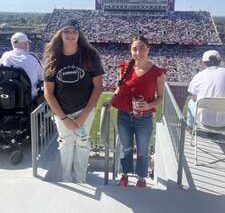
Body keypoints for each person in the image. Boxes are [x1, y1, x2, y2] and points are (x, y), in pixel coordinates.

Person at [43, 19, 104, 183]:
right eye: (66, 32)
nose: (70, 35)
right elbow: (48, 93)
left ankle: (80, 178)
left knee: (83, 143)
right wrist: (63, 118)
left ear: (79, 34)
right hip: (62, 112)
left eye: (74, 32)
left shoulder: (90, 56)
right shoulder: (52, 59)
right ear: (60, 34)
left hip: (85, 110)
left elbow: (98, 87)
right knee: (66, 144)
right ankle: (66, 178)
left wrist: (84, 114)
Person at [111, 35, 165, 188]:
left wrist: (147, 106)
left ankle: (141, 177)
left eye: (142, 48)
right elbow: (118, 90)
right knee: (125, 148)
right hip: (124, 116)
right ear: (131, 51)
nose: (138, 52)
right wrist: (109, 103)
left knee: (143, 150)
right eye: (134, 49)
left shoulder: (158, 73)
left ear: (148, 50)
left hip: (145, 118)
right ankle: (125, 174)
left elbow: (161, 98)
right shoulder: (124, 68)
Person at [186, 50, 225, 132]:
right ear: (219, 61)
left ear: (204, 63)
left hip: (203, 120)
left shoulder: (198, 76)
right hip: (223, 122)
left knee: (190, 102)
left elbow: (194, 99)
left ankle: (190, 127)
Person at [0, 32, 43, 100]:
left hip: (7, 99)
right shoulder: (32, 58)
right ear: (25, 44)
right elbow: (43, 77)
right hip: (29, 100)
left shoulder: (5, 56)